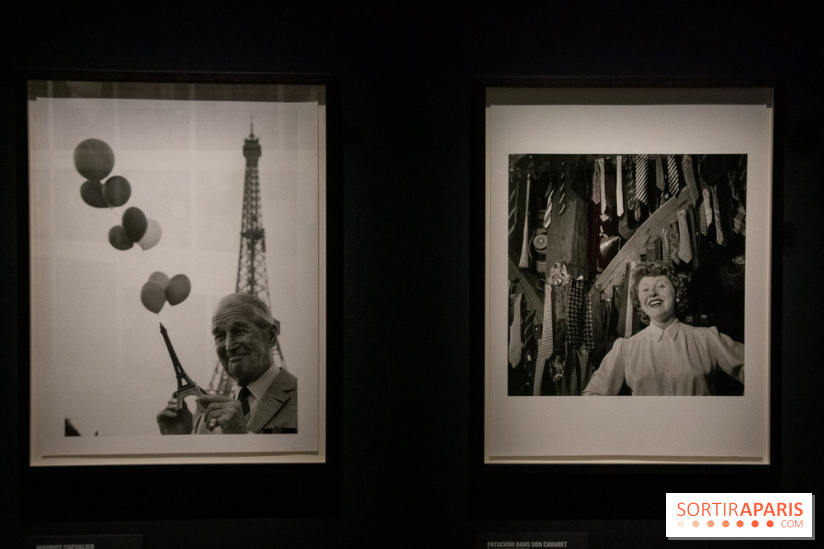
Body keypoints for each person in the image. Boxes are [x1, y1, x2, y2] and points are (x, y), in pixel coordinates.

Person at [582, 261, 744, 396]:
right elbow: (592, 396)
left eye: (661, 286)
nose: (652, 293)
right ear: (639, 302)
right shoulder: (625, 349)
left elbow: (760, 370)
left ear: (677, 294)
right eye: (645, 289)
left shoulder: (707, 339)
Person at [157, 293, 297, 434]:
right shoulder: (203, 424)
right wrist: (179, 442)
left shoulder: (308, 401)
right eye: (220, 336)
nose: (229, 346)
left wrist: (241, 437)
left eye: (240, 331)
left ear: (271, 337)